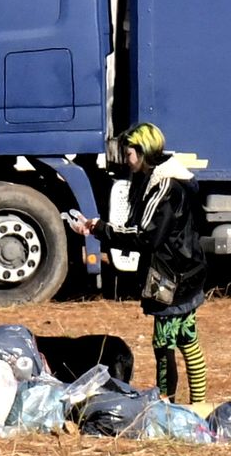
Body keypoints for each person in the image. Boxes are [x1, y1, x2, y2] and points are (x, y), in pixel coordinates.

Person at [74, 122, 209, 403]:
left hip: (170, 280)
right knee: (188, 340)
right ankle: (200, 403)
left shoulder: (165, 187)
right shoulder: (176, 179)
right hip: (189, 272)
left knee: (163, 346)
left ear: (144, 151)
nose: (127, 159)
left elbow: (147, 237)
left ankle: (165, 404)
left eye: (130, 153)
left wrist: (99, 229)